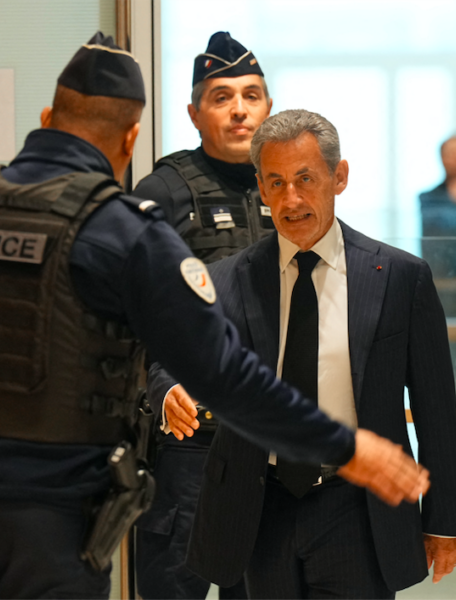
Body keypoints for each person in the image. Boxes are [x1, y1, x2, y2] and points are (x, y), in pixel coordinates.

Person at [0, 35, 428, 600]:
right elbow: (225, 374)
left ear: (46, 119)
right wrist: (344, 446)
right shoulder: (124, 235)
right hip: (54, 518)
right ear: (131, 137)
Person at [150, 110, 456, 598]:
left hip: (358, 509)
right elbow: (169, 354)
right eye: (276, 183)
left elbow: (436, 408)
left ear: (339, 177)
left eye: (305, 179)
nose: (291, 199)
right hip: (259, 508)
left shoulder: (400, 278)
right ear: (260, 187)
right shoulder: (227, 280)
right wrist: (169, 387)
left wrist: (444, 521)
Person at [131, 31, 271, 600]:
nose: (239, 110)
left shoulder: (287, 187)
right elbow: (126, 314)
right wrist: (159, 385)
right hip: (188, 447)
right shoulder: (162, 192)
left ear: (268, 107)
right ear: (194, 113)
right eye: (221, 97)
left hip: (269, 448)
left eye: (251, 95)